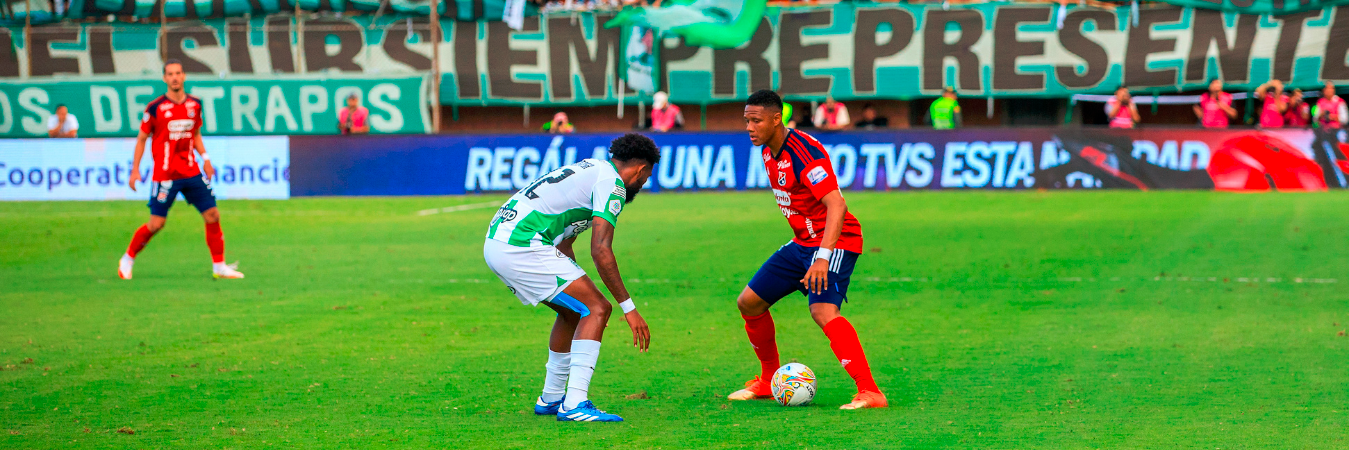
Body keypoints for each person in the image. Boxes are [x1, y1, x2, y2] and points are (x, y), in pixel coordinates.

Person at [483, 133, 659, 422]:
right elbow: (601, 251)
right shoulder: (612, 184)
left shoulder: (591, 168)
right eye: (646, 177)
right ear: (640, 170)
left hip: (500, 241)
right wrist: (630, 309)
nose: (643, 184)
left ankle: (551, 398)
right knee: (598, 308)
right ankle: (575, 402)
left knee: (574, 311)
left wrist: (579, 285)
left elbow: (565, 244)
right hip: (520, 243)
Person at [730, 90, 886, 410]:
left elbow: (836, 205)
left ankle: (870, 391)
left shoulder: (803, 152)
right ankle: (767, 378)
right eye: (747, 120)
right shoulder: (767, 150)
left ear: (777, 119)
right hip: (803, 242)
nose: (749, 127)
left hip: (836, 240)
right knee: (749, 302)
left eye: (756, 120)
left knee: (822, 311)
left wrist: (822, 258)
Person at [119, 60, 243, 280]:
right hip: (166, 175)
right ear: (165, 78)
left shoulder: (195, 105)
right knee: (157, 223)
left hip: (191, 171)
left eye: (178, 73)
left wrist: (205, 158)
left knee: (213, 214)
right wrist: (135, 169)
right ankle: (128, 258)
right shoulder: (155, 107)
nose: (174, 77)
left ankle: (219, 266)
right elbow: (141, 139)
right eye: (170, 74)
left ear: (183, 76)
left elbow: (195, 134)